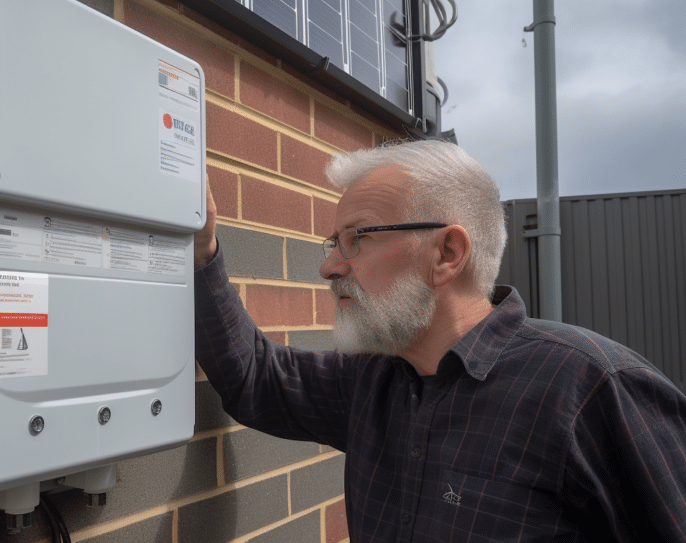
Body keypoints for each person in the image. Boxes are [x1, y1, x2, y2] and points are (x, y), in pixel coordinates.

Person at [193, 139, 686, 542]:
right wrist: (201, 250)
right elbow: (256, 379)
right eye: (333, 243)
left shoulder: (591, 389)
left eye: (357, 238)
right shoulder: (371, 381)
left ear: (448, 253)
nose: (329, 266)